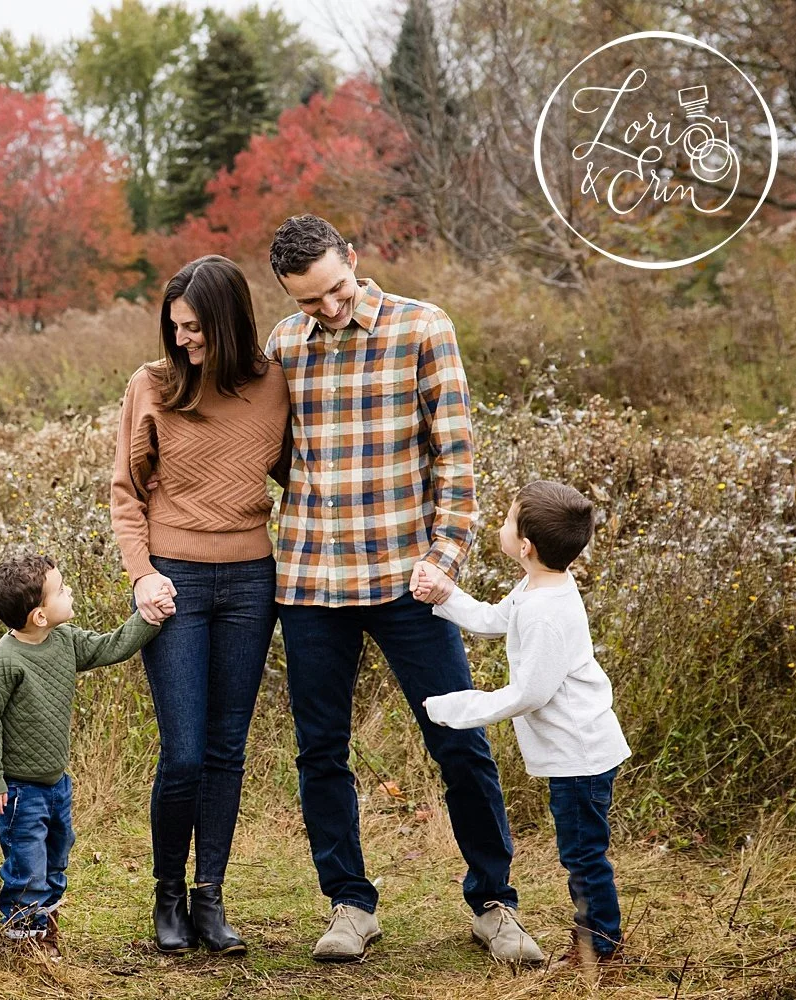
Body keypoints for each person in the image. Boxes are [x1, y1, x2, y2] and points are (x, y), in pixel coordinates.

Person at [263, 215, 543, 964]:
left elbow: (456, 458)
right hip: (311, 581)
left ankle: (494, 904)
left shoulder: (424, 327)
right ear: (288, 295)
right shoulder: (284, 345)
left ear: (353, 260)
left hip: (406, 580)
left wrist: (444, 557)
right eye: (309, 300)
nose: (328, 308)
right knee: (321, 750)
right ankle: (350, 904)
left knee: (459, 739)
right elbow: (274, 454)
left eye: (336, 290)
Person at [111, 255, 292, 955]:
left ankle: (209, 897)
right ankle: (166, 894)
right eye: (175, 326)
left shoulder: (274, 384)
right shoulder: (151, 386)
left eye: (195, 328)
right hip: (175, 582)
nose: (183, 340)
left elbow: (297, 475)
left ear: (228, 323)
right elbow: (126, 492)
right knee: (184, 753)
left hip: (252, 582)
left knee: (226, 751)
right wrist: (141, 575)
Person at [417, 481, 632, 969]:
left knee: (583, 857)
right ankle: (598, 943)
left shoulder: (544, 613)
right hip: (579, 751)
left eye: (509, 520)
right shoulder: (542, 585)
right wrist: (446, 594)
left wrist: (459, 709)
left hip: (581, 754)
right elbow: (495, 619)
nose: (502, 526)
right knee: (582, 852)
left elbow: (529, 694)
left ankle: (600, 950)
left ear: (526, 545)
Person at [0, 552, 168, 958]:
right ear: (39, 616)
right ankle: (25, 943)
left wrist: (149, 618)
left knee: (57, 856)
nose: (70, 591)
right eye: (61, 590)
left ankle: (47, 928)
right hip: (18, 790)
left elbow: (112, 646)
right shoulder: (0, 665)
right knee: (27, 866)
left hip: (56, 783)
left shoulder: (65, 641)